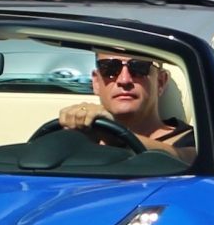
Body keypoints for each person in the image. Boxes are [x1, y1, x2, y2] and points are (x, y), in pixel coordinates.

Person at [56, 51, 197, 162]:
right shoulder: (72, 138)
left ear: (160, 82)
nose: (124, 80)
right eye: (110, 68)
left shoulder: (196, 141)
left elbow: (190, 160)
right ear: (96, 83)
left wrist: (119, 137)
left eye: (139, 68)